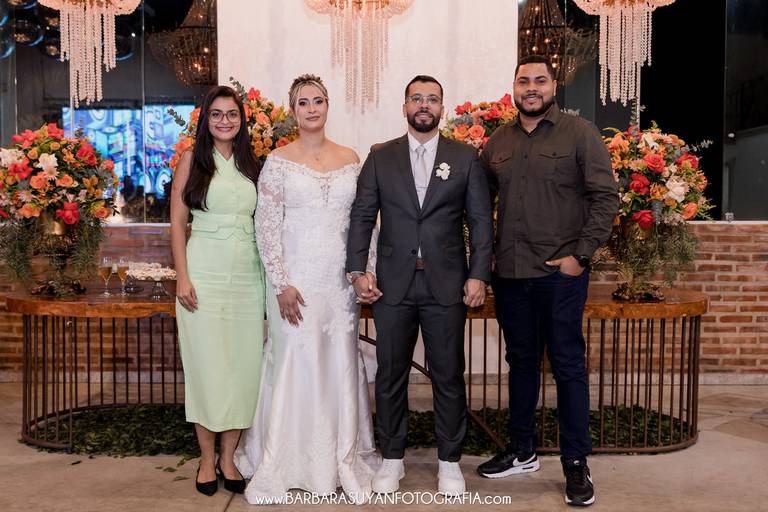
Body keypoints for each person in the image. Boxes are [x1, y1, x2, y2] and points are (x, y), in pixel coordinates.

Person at [477, 55, 618, 507]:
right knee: (520, 363)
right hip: (510, 275)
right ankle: (522, 451)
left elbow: (605, 197)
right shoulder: (497, 142)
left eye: (540, 80)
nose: (531, 88)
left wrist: (581, 256)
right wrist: (483, 257)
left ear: (554, 86)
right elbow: (477, 206)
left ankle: (576, 461)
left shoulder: (580, 133)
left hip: (560, 276)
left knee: (567, 365)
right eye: (524, 81)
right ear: (514, 88)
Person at [235, 74, 380, 505]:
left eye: (318, 101)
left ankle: (341, 456)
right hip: (295, 282)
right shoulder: (278, 161)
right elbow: (266, 227)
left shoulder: (350, 158)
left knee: (339, 360)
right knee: (293, 359)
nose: (312, 108)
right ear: (293, 110)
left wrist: (366, 272)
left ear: (327, 105)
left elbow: (364, 223)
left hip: (339, 283)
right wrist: (281, 283)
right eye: (303, 102)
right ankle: (289, 459)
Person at [346, 75, 493, 496]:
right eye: (416, 98)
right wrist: (357, 271)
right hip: (392, 286)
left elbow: (480, 220)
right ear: (405, 107)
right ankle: (392, 459)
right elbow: (362, 215)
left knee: (448, 374)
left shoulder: (464, 158)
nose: (423, 105)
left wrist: (478, 274)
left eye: (432, 99)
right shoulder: (381, 157)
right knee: (390, 374)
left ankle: (450, 461)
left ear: (442, 108)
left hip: (447, 285)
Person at [171, 85, 265, 496]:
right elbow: (177, 223)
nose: (225, 121)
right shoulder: (191, 159)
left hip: (247, 275)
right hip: (204, 273)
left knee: (244, 369)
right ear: (205, 120)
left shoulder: (252, 163)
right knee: (207, 368)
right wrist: (182, 277)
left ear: (241, 120)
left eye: (232, 114)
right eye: (217, 114)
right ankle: (206, 458)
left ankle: (230, 458)